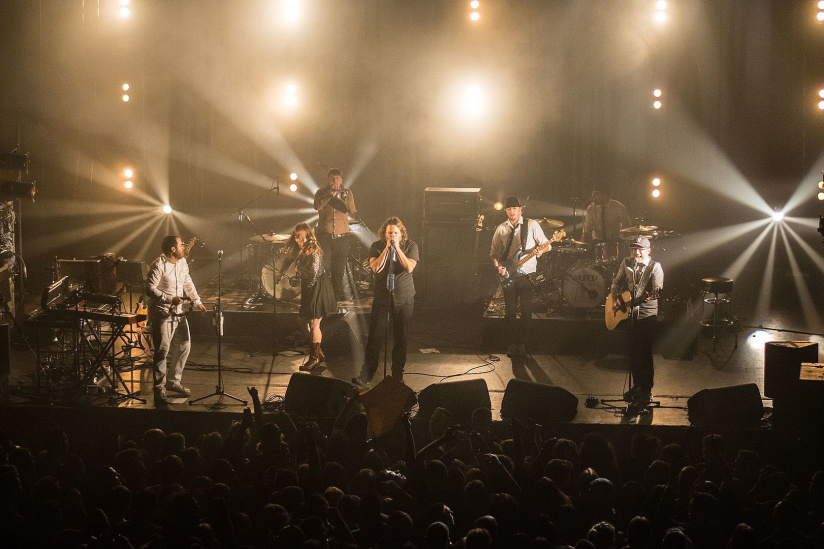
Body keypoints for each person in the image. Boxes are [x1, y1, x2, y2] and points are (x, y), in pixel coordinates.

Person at [352, 216, 419, 388]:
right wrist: (388, 250)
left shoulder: (411, 246)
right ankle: (365, 375)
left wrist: (397, 248)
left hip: (404, 297)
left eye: (395, 233)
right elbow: (375, 268)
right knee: (375, 337)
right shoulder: (376, 246)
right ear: (384, 233)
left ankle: (398, 375)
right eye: (389, 233)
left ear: (401, 233)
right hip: (383, 298)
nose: (392, 236)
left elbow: (409, 267)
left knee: (401, 338)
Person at [146, 235, 206, 404]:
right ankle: (159, 390)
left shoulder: (182, 263)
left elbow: (188, 282)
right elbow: (149, 289)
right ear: (173, 249)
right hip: (162, 312)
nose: (184, 247)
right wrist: (169, 298)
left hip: (178, 312)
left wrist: (197, 302)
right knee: (162, 351)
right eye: (181, 245)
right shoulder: (158, 265)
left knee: (184, 345)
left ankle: (173, 382)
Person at [490, 196, 549, 357]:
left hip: (527, 272)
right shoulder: (501, 228)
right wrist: (498, 267)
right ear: (505, 210)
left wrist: (540, 251)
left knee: (525, 309)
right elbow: (494, 253)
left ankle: (523, 344)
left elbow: (546, 244)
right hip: (508, 273)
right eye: (509, 209)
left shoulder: (531, 224)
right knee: (509, 311)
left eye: (515, 208)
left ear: (520, 209)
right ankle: (511, 344)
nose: (512, 211)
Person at [609, 236, 664, 405]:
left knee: (644, 352)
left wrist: (647, 297)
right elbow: (616, 283)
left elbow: (657, 290)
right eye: (633, 249)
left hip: (647, 313)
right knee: (633, 351)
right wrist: (615, 299)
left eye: (640, 249)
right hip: (630, 313)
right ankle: (637, 386)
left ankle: (647, 388)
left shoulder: (655, 268)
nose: (636, 252)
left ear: (648, 250)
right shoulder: (626, 263)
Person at [279, 223, 337, 371]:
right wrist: (281, 273)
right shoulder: (300, 249)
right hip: (309, 288)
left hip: (318, 287)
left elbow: (313, 273)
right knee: (301, 320)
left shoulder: (313, 248)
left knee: (314, 323)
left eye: (301, 237)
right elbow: (289, 260)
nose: (298, 240)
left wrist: (298, 273)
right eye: (297, 237)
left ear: (308, 235)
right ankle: (317, 351)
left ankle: (314, 358)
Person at [313, 168, 358, 303]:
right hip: (324, 236)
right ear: (328, 179)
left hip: (342, 237)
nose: (335, 181)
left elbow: (352, 210)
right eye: (332, 178)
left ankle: (334, 298)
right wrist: (329, 196)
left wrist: (343, 198)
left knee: (338, 270)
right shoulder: (320, 193)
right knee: (324, 267)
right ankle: (324, 295)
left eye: (337, 179)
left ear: (341, 180)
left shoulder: (347, 192)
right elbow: (317, 206)